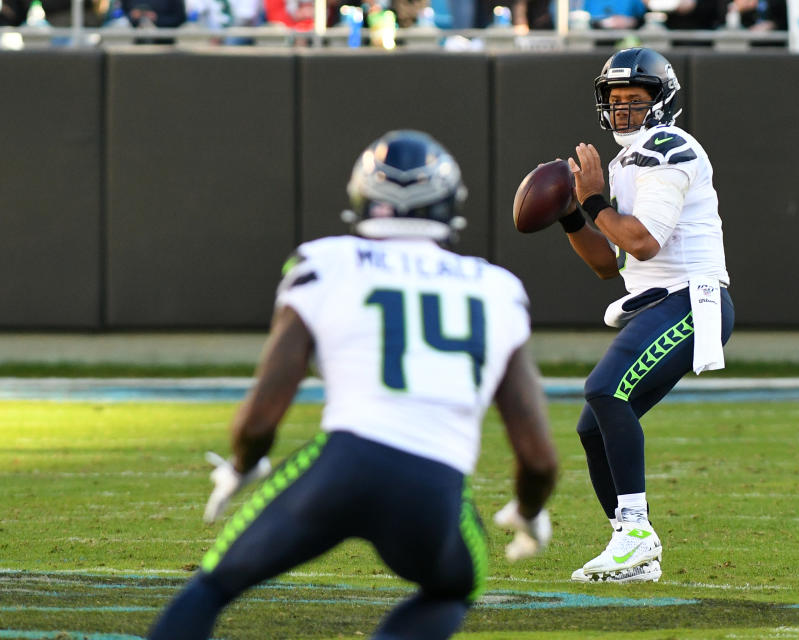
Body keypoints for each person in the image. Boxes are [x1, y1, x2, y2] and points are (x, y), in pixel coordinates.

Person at [148, 130, 558, 640]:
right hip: (432, 488)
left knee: (213, 585)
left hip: (342, 468)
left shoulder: (326, 262)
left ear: (362, 198)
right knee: (452, 588)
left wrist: (243, 464)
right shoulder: (497, 289)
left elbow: (261, 414)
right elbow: (539, 458)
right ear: (448, 205)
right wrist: (528, 509)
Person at [557, 48, 734, 584]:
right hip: (655, 303)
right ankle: (632, 550)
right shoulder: (626, 162)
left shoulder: (667, 148)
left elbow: (645, 242)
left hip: (688, 298)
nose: (624, 110)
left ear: (662, 102)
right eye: (615, 100)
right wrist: (571, 215)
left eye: (636, 99)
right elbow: (609, 264)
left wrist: (592, 202)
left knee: (605, 391)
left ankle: (635, 532)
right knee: (594, 427)